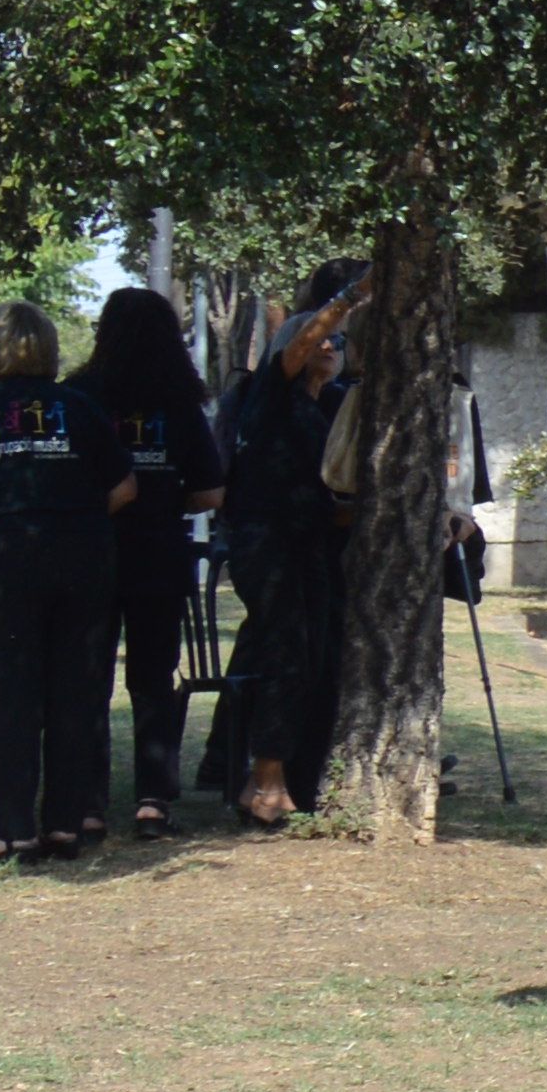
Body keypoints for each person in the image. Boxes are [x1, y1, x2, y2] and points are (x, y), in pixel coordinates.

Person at [0, 303, 133, 866]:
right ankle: (66, 824)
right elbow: (125, 488)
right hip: (82, 554)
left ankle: (14, 830)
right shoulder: (80, 408)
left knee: (15, 698)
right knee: (75, 693)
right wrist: (76, 516)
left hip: (4, 559)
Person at [203, 269, 360, 823]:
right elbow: (298, 343)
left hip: (311, 545)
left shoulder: (330, 411)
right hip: (267, 543)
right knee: (284, 650)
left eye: (337, 340)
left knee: (317, 657)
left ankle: (294, 778)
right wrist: (345, 301)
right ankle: (262, 780)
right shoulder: (271, 394)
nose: (328, 344)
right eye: (318, 337)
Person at [80, 290, 222, 835]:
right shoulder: (181, 403)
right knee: (153, 677)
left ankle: (88, 800)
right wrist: (164, 499)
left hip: (92, 552)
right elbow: (211, 492)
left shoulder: (81, 395)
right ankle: (152, 798)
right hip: (160, 553)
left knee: (88, 677)